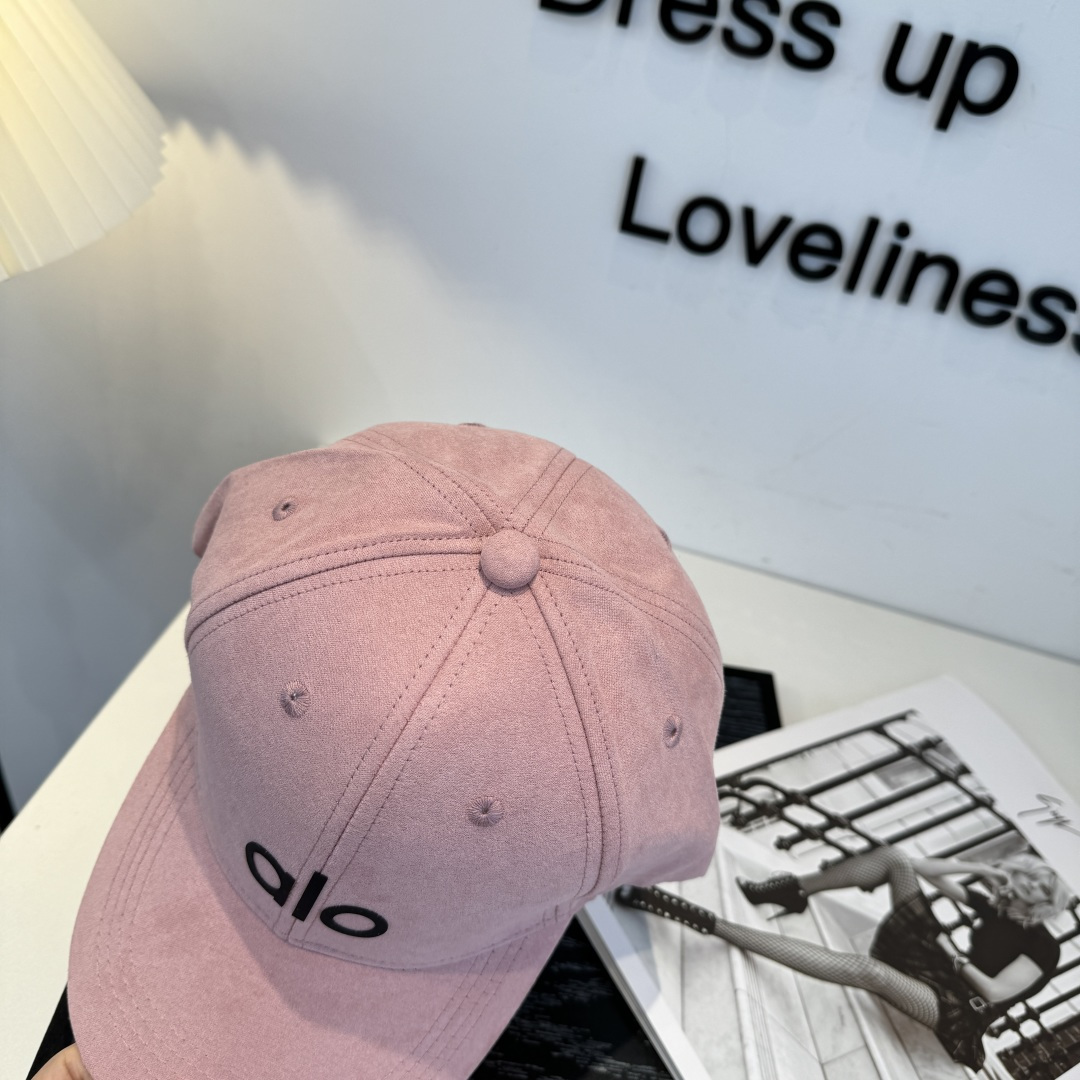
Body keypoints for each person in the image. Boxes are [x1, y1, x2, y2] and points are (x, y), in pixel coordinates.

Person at [617, 848, 1071, 1071]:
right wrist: (983, 869)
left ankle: (709, 923)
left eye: (1030, 889)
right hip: (937, 963)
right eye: (1019, 880)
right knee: (896, 860)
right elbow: (923, 869)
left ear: (1045, 903)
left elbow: (993, 991)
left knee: (866, 970)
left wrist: (950, 955)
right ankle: (794, 890)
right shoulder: (997, 907)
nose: (1016, 889)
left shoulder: (1044, 949)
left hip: (956, 1009)